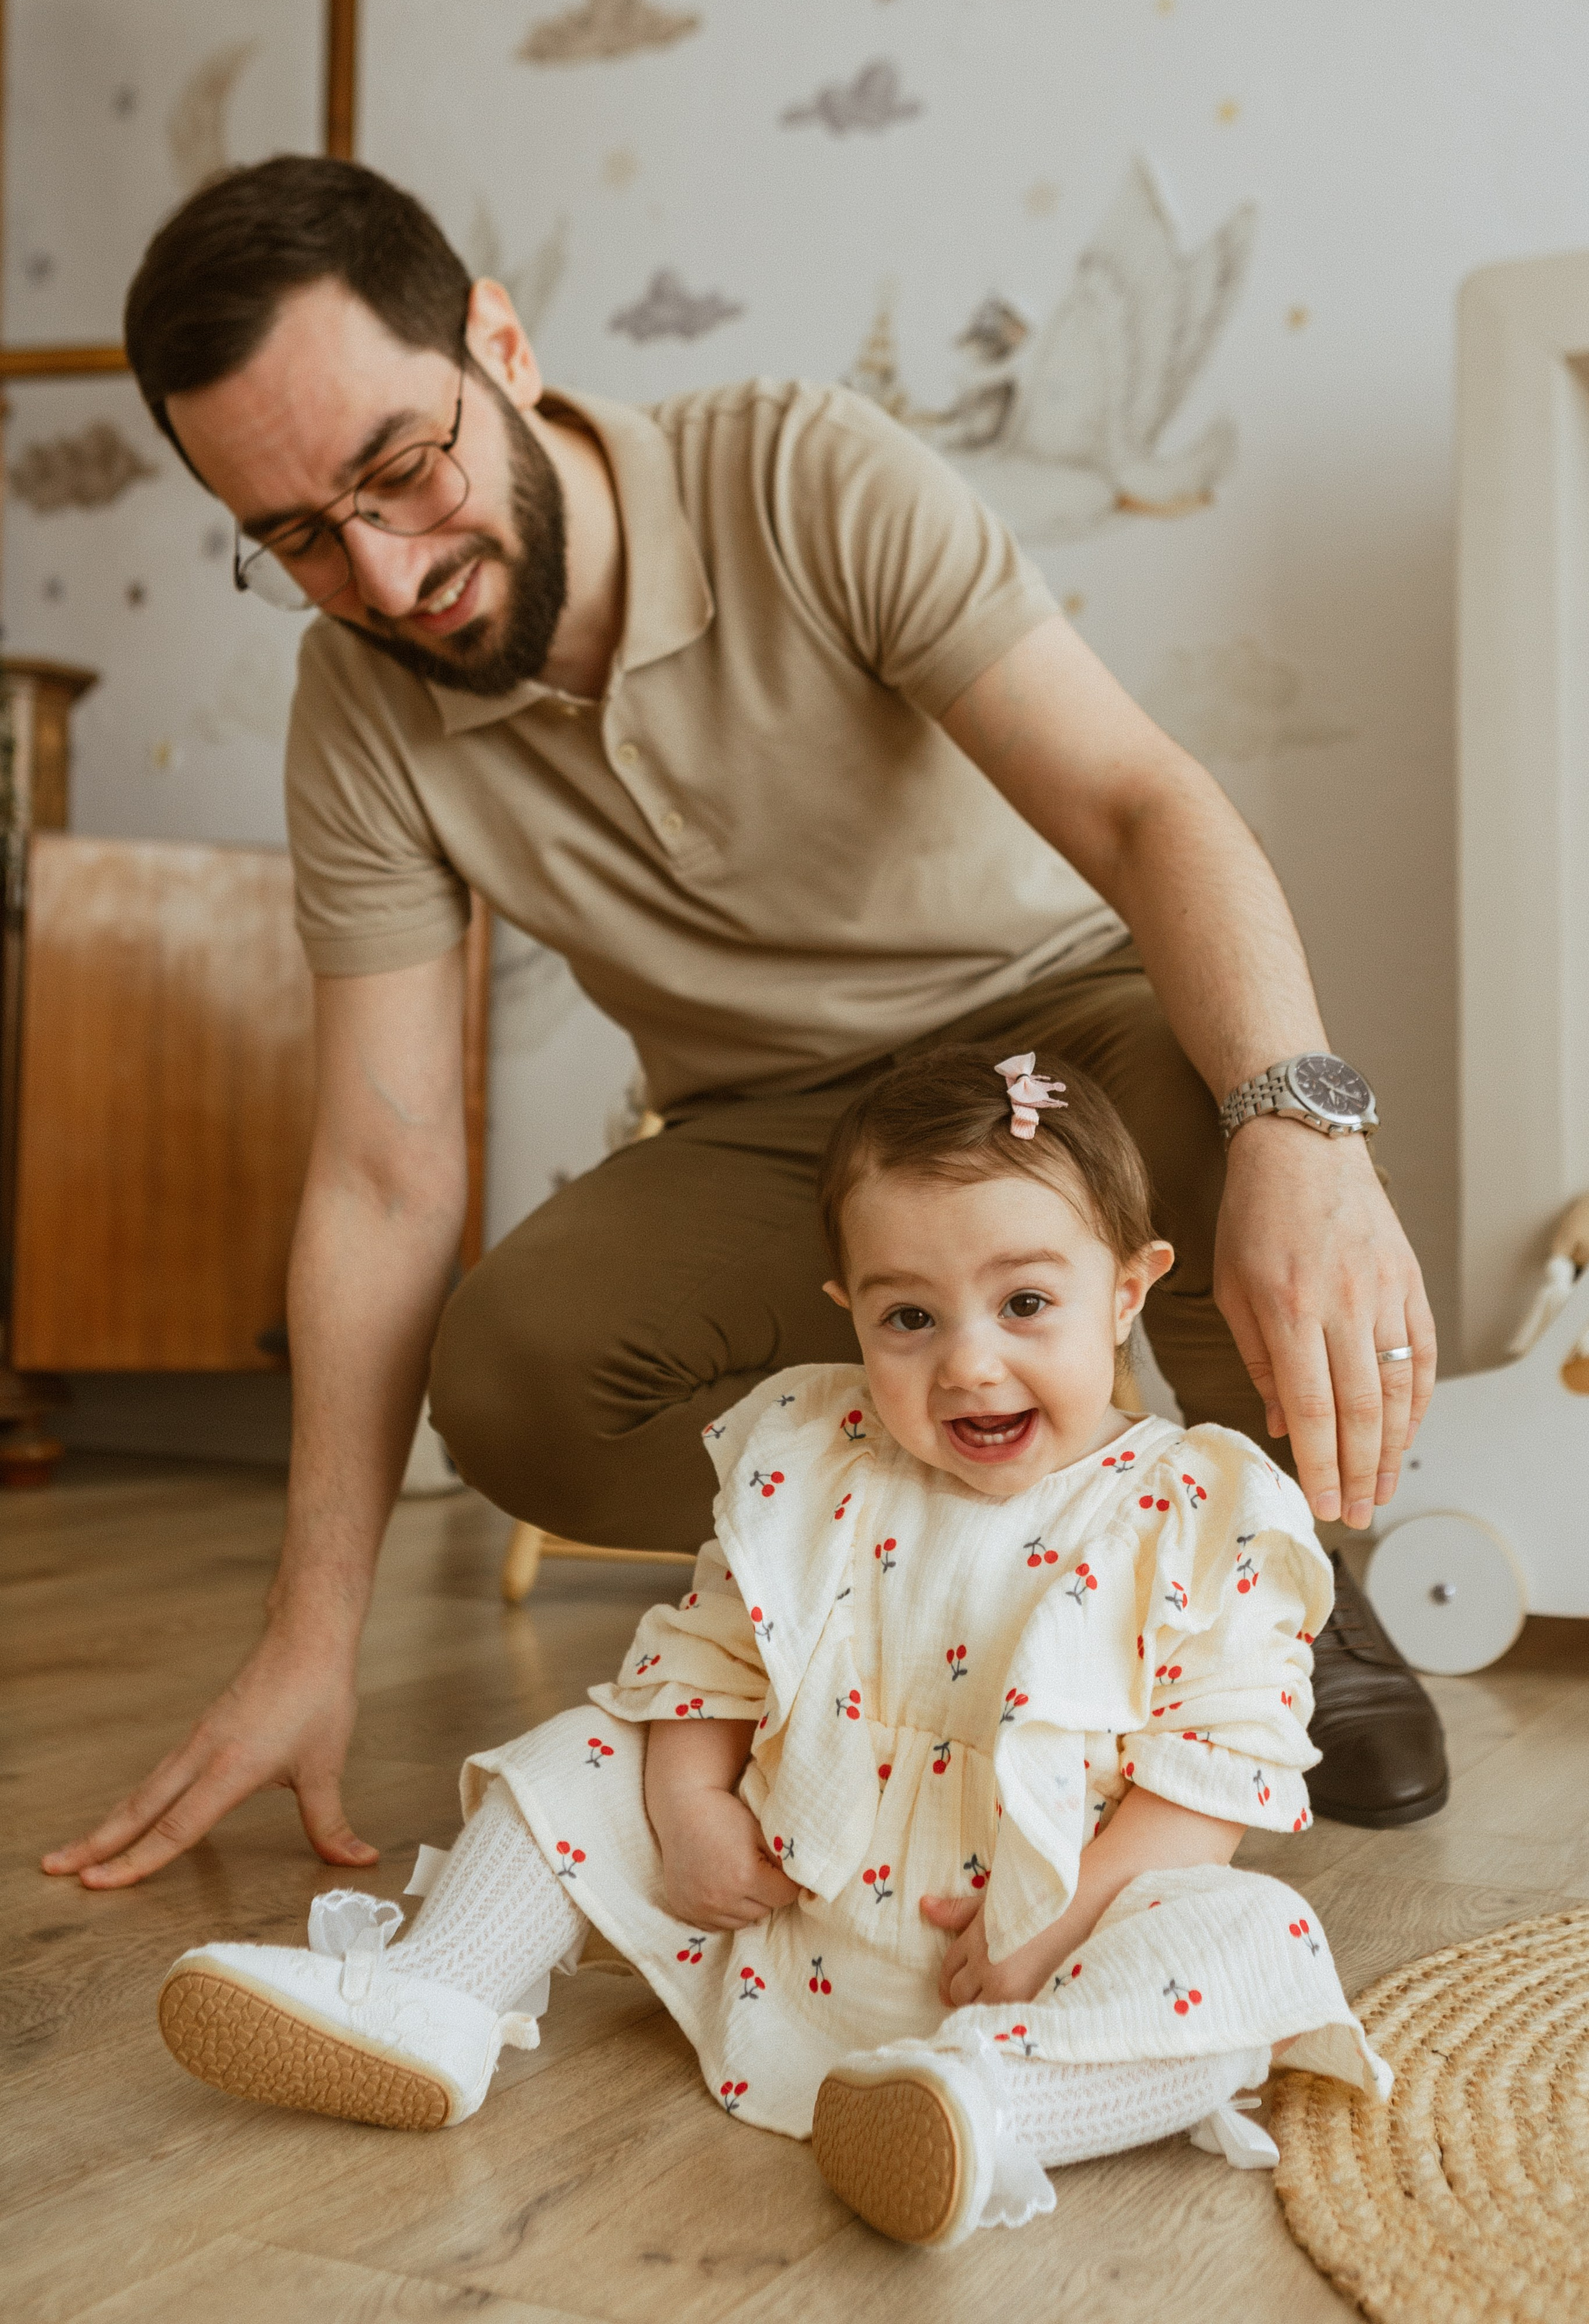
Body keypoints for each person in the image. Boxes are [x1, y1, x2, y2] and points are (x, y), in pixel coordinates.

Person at [43, 153, 1444, 1897]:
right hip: (769, 1125)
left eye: (402, 471)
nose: (391, 575)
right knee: (515, 1382)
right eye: (302, 538)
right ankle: (901, 1606)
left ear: (500, 341)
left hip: (1047, 1036)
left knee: (1217, 1102)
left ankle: (1278, 1600)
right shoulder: (357, 712)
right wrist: (308, 1632)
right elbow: (386, 1172)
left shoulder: (798, 472)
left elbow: (1142, 806)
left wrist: (1304, 1126)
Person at [156, 1049, 1389, 2251]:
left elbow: (1209, 1770)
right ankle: (437, 1994)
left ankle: (986, 2104)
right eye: (908, 1316)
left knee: (1253, 1945)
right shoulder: (815, 1452)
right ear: (848, 1312)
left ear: (1126, 1288)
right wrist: (692, 1807)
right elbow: (708, 1655)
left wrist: (1060, 1924)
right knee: (594, 1744)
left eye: (1023, 1304)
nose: (967, 1362)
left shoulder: (1197, 1508)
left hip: (1026, 1954)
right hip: (782, 1903)